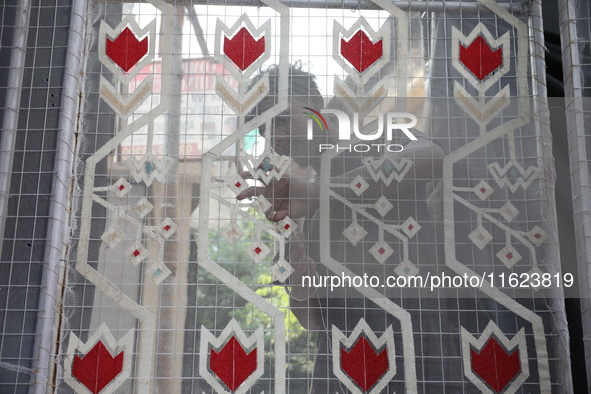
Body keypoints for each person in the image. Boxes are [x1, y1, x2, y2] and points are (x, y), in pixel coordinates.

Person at [237, 62, 445, 392]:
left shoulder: (376, 137)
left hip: (415, 350)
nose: (276, 138)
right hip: (342, 366)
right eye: (264, 130)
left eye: (280, 119)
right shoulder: (297, 200)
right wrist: (301, 279)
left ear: (314, 99)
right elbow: (312, 321)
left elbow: (430, 156)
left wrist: (321, 193)